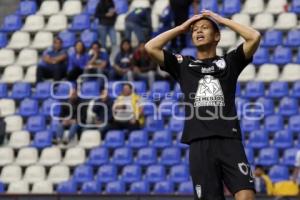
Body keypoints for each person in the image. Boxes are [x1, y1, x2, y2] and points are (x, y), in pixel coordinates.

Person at [145, 10, 261, 200]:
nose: (198, 31)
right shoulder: (183, 65)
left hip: (229, 140)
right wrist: (182, 27)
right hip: (199, 143)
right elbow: (151, 47)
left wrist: (221, 20)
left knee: (246, 195)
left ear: (217, 36)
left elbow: (254, 37)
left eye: (205, 28)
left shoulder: (229, 62)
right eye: (195, 30)